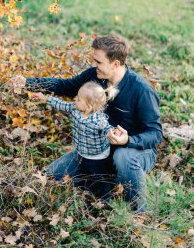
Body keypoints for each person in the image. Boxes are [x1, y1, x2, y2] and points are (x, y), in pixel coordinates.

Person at [12, 34, 162, 212]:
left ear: (115, 64)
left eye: (98, 62)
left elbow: (155, 133)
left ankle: (139, 211)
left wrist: (128, 141)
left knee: (123, 157)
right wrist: (28, 83)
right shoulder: (93, 76)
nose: (93, 65)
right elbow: (65, 86)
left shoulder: (141, 90)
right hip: (98, 150)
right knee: (52, 176)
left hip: (135, 151)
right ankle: (105, 181)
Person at [31, 81, 120, 200]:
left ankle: (106, 200)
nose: (74, 99)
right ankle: (85, 187)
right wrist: (45, 98)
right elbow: (61, 104)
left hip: (97, 157)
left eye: (78, 99)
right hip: (81, 152)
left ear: (89, 106)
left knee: (99, 178)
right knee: (84, 171)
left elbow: (107, 129)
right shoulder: (75, 108)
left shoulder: (98, 120)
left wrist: (114, 132)